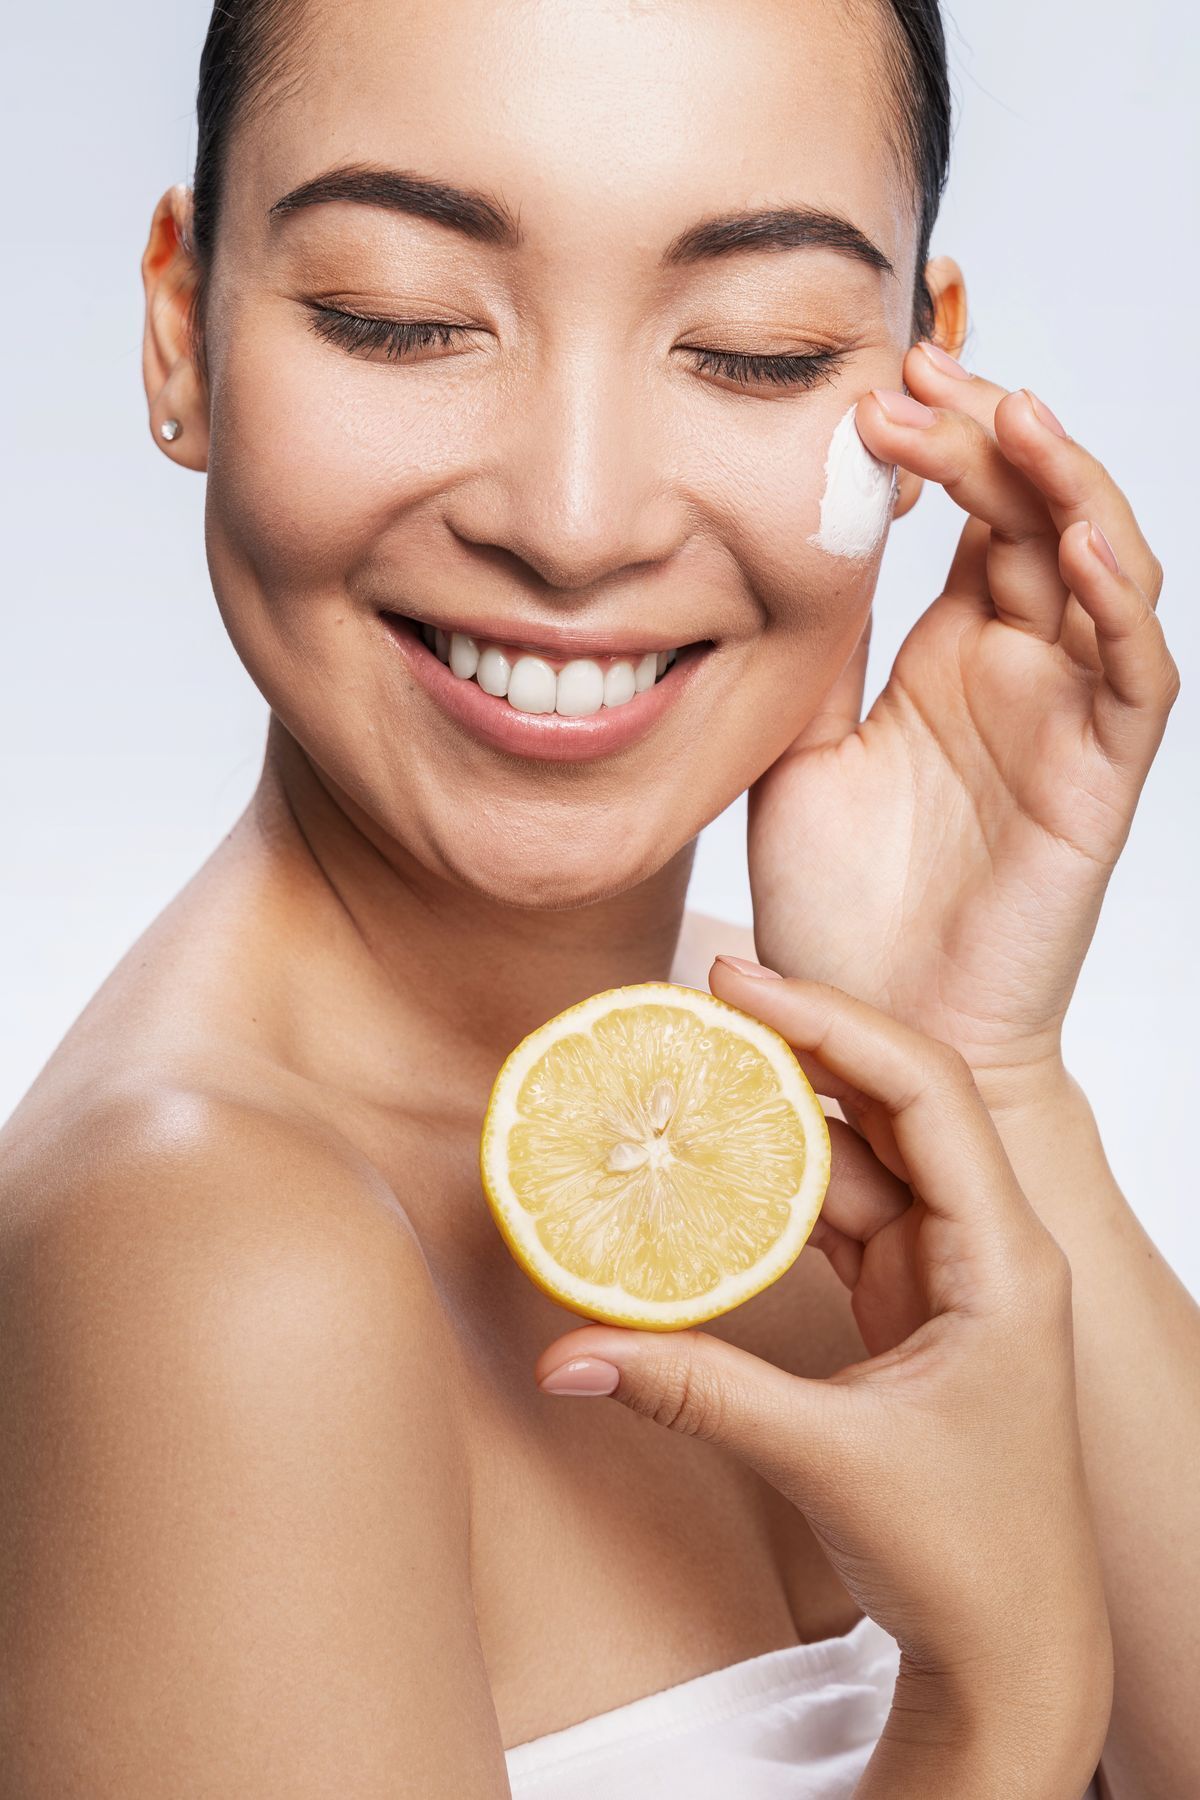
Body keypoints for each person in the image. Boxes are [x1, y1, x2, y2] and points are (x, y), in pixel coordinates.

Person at [0, 0, 1195, 1793]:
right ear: (182, 329)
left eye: (757, 350)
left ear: (920, 388)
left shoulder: (799, 1074)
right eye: (399, 317)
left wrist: (974, 1058)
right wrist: (1003, 1707)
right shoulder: (211, 1264)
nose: (573, 518)